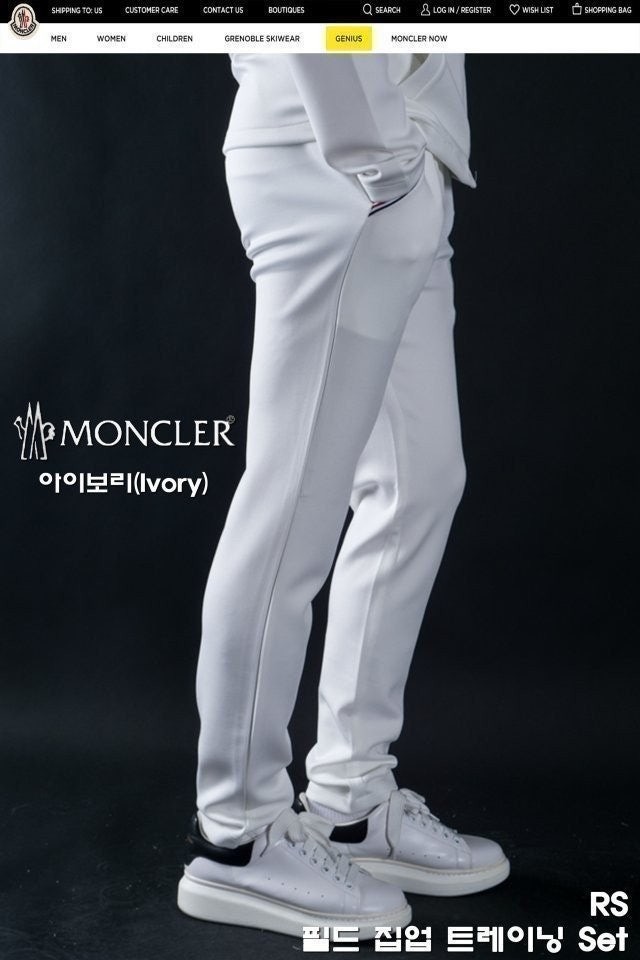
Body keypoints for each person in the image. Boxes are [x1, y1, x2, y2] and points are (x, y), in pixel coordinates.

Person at [177, 52, 509, 939]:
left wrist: (409, 168)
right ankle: (236, 832)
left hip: (397, 160)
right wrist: (382, 163)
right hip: (337, 160)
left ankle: (351, 800)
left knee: (418, 481)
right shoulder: (368, 166)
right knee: (294, 501)